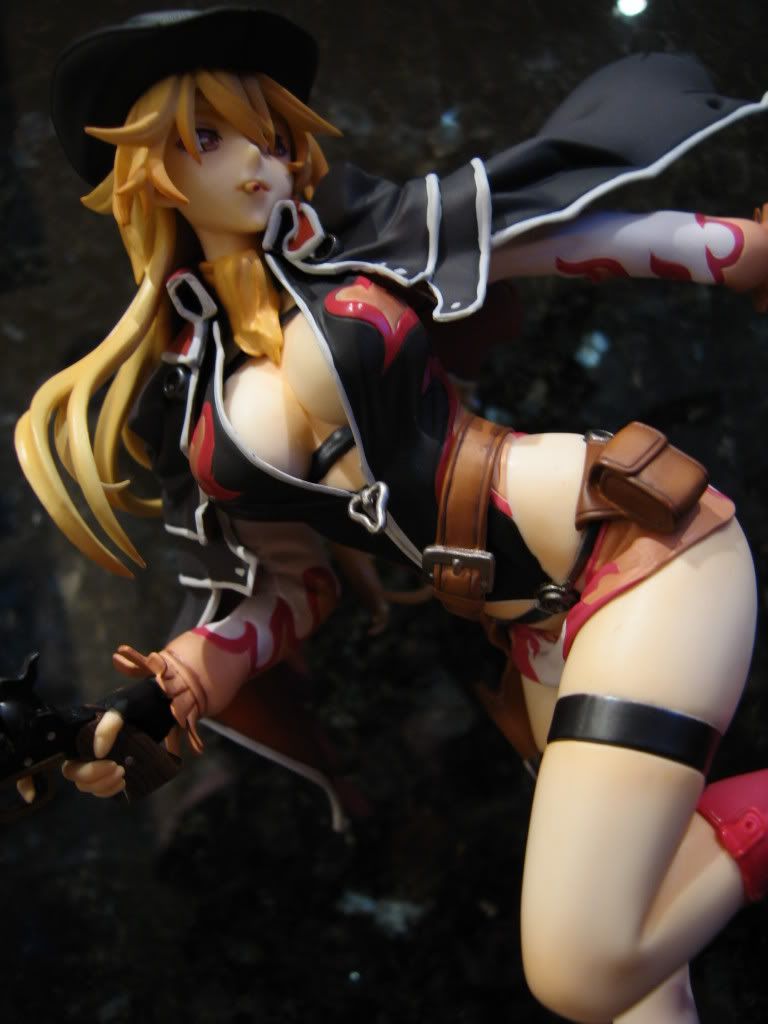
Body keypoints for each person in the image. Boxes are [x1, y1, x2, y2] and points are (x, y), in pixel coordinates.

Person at [13, 8, 768, 1022]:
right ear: (147, 172)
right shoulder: (191, 394)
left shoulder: (372, 240)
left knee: (582, 969)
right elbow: (294, 587)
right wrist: (174, 685)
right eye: (209, 138)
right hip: (536, 632)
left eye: (269, 137)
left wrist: (738, 251)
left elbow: (553, 238)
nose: (257, 166)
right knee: (642, 984)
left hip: (634, 553)